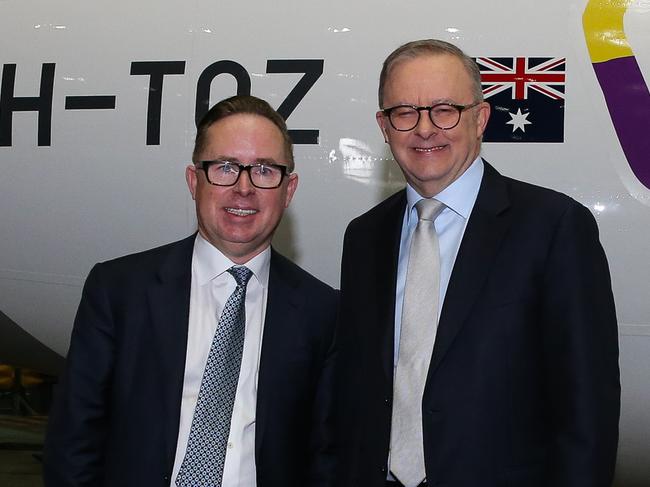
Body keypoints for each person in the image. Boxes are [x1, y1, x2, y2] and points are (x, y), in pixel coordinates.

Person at [337, 39, 620, 487]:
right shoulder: (364, 236)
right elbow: (351, 391)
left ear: (481, 118)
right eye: (405, 112)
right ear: (384, 126)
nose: (425, 129)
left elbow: (587, 411)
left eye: (445, 109)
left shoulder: (554, 227)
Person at [43, 95, 338, 487]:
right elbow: (73, 444)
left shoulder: (323, 313)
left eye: (265, 170)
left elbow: (327, 459)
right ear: (193, 180)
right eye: (225, 167)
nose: (243, 187)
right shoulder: (118, 292)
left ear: (289, 189)